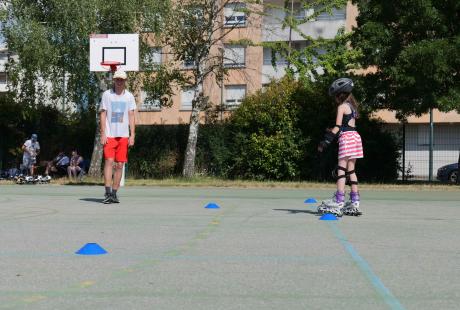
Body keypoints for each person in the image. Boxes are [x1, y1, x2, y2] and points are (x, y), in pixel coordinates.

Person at [317, 78, 363, 216]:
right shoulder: (352, 107)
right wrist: (331, 131)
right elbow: (347, 126)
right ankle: (355, 202)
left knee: (341, 170)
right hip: (356, 137)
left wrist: (325, 141)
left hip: (347, 139)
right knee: (351, 171)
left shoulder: (341, 107)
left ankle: (339, 201)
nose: (335, 99)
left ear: (340, 95)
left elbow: (338, 128)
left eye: (335, 97)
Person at [100, 70, 136, 204]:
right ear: (114, 80)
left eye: (122, 80)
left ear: (125, 81)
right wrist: (103, 133)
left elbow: (131, 115)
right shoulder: (107, 95)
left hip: (123, 136)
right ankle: (107, 192)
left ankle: (114, 194)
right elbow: (103, 114)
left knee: (120, 165)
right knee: (109, 161)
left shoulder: (129, 96)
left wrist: (132, 135)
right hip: (110, 135)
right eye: (117, 79)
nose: (119, 82)